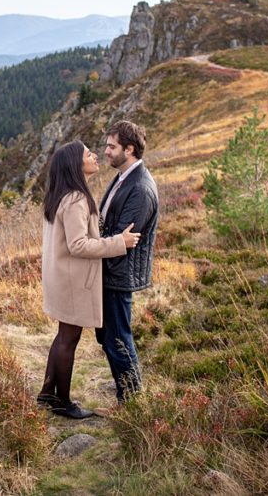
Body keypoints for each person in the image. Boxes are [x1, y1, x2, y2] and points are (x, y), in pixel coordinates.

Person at [39, 140, 140, 419]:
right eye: (88, 154)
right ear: (75, 164)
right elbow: (78, 245)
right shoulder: (75, 199)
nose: (95, 156)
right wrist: (118, 242)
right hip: (72, 280)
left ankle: (48, 394)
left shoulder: (61, 195)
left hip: (61, 277)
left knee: (63, 336)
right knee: (68, 340)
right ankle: (63, 402)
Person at [96, 120, 159, 405]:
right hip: (107, 270)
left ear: (129, 149)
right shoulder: (123, 177)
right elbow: (109, 229)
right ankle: (125, 391)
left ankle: (132, 401)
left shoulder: (141, 188)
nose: (106, 152)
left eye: (112, 147)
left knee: (119, 339)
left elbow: (125, 237)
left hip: (119, 274)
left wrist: (96, 243)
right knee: (107, 338)